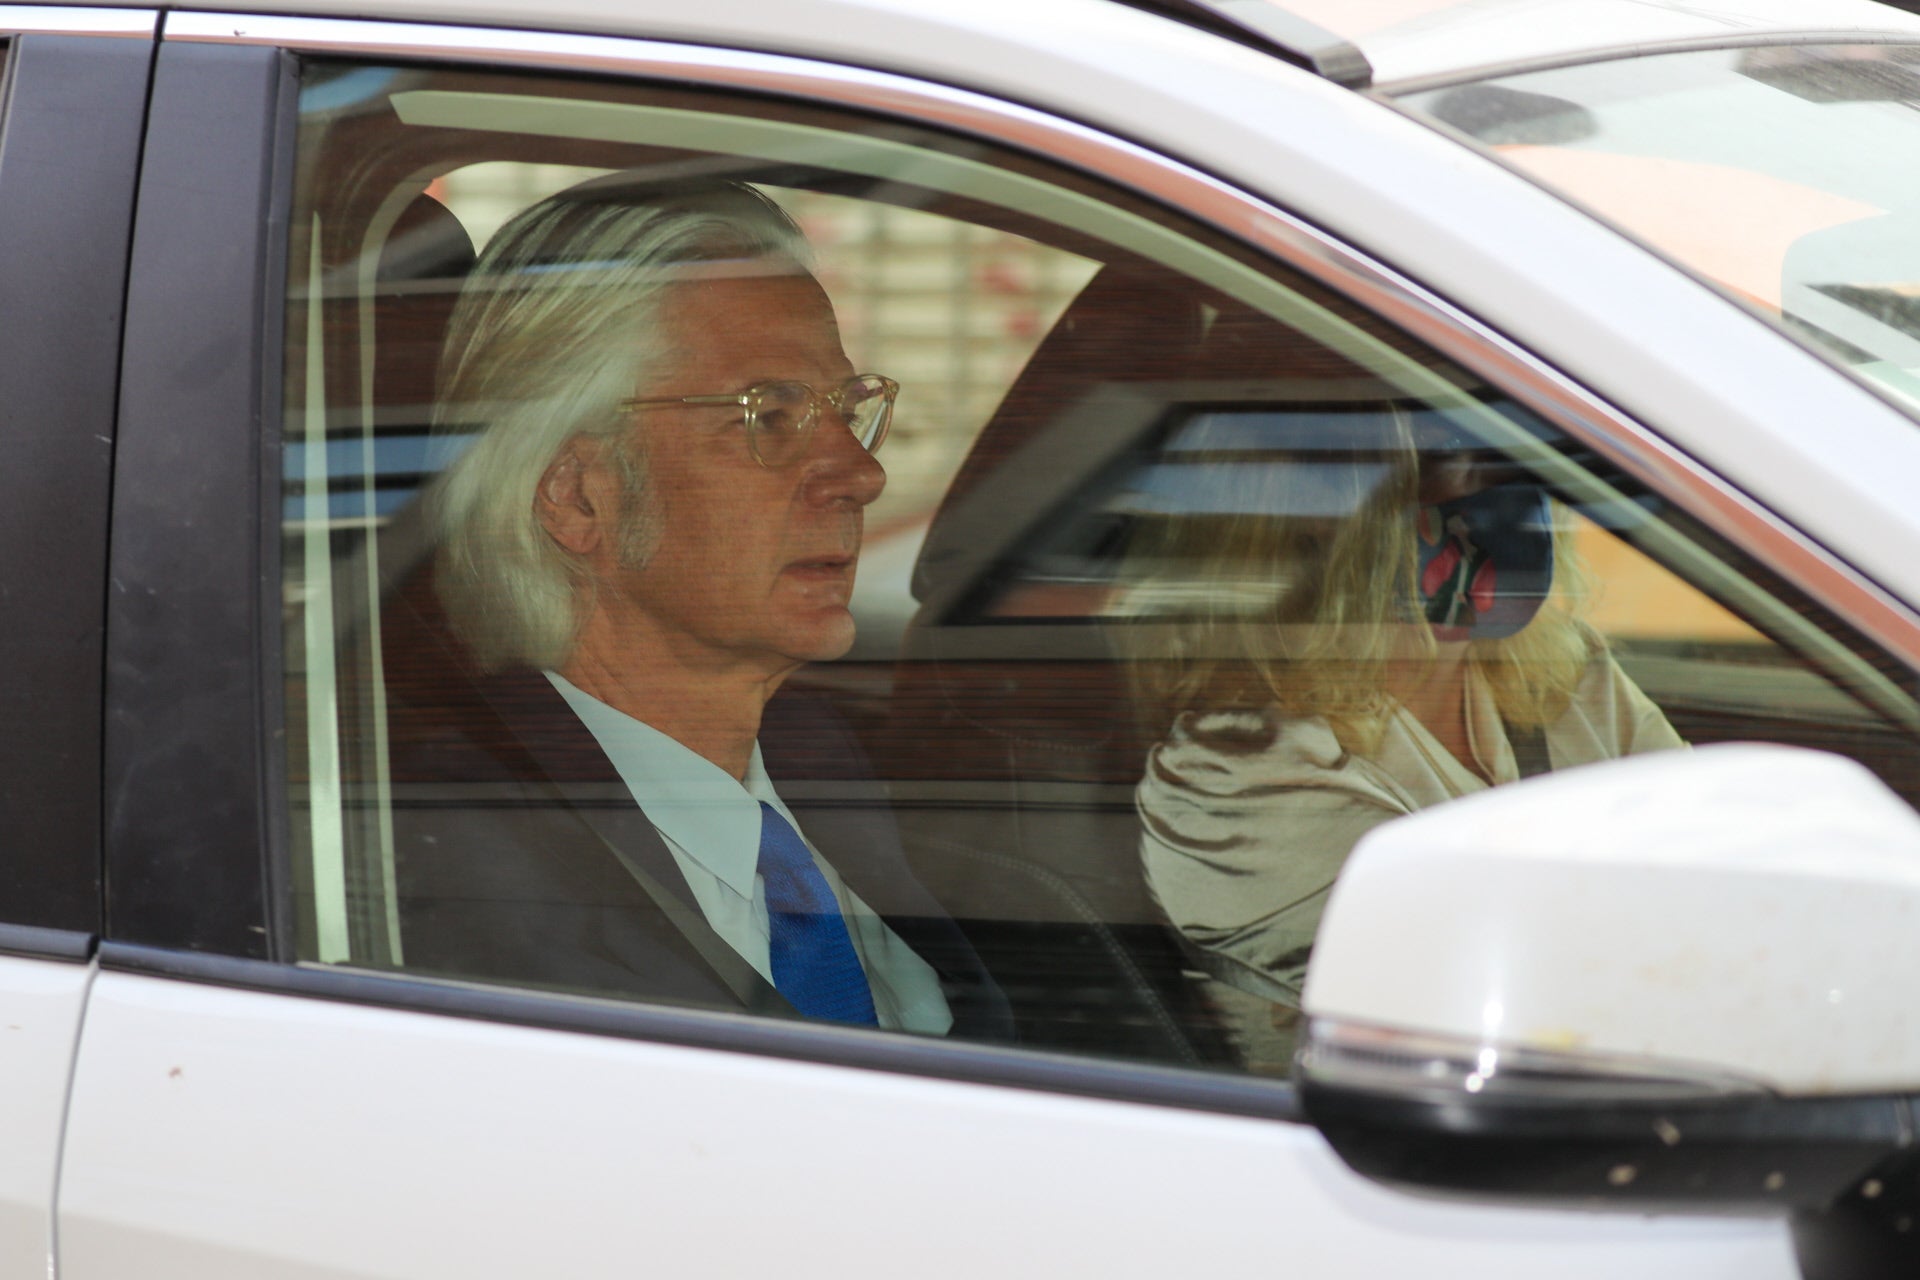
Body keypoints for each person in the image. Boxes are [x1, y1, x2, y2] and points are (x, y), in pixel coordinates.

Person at [387, 176, 1007, 1038]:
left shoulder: (818, 760)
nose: (863, 475)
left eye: (847, 409)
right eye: (772, 416)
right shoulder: (465, 866)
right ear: (578, 496)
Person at [1125, 406, 1681, 1065]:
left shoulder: (1565, 671)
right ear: (1317, 516)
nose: (1508, 480)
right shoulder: (1234, 773)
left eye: (1505, 447)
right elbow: (1510, 1010)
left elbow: (1709, 868)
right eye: (1447, 454)